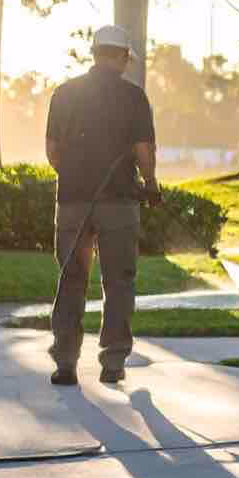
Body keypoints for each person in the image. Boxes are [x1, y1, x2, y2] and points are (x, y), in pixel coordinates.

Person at [43, 23, 161, 386]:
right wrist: (151, 184)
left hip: (73, 202)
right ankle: (112, 362)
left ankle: (65, 362)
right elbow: (144, 149)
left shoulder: (64, 93)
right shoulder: (133, 97)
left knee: (71, 279)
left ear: (93, 54)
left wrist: (77, 175)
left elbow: (52, 150)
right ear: (124, 57)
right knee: (118, 281)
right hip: (119, 202)